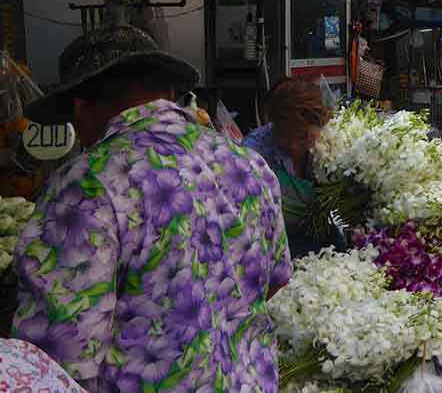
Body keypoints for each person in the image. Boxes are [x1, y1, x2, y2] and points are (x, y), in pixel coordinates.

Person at [13, 25, 291, 391]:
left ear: (80, 108)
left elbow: (60, 351)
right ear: (172, 93)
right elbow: (276, 277)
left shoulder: (87, 183)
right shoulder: (247, 163)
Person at [244, 78, 342, 259]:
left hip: (319, 239)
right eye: (286, 135)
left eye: (303, 136)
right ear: (275, 124)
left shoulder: (330, 140)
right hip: (276, 247)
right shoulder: (254, 154)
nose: (295, 146)